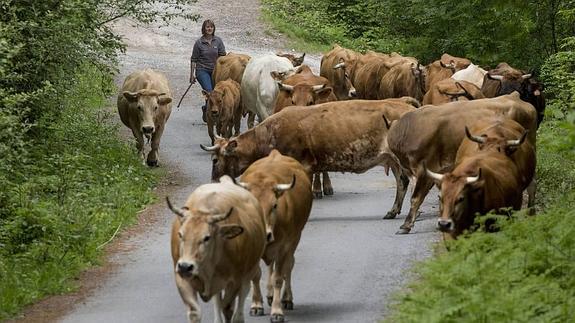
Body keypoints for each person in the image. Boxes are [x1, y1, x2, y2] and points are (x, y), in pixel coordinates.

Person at [190, 19, 227, 123]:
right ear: (204, 29)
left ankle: (207, 109)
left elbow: (223, 56)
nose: (209, 29)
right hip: (202, 70)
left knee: (217, 93)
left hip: (216, 71)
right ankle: (211, 115)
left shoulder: (218, 41)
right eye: (207, 27)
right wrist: (192, 75)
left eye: (211, 27)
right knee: (210, 92)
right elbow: (193, 59)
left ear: (214, 28)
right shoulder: (199, 43)